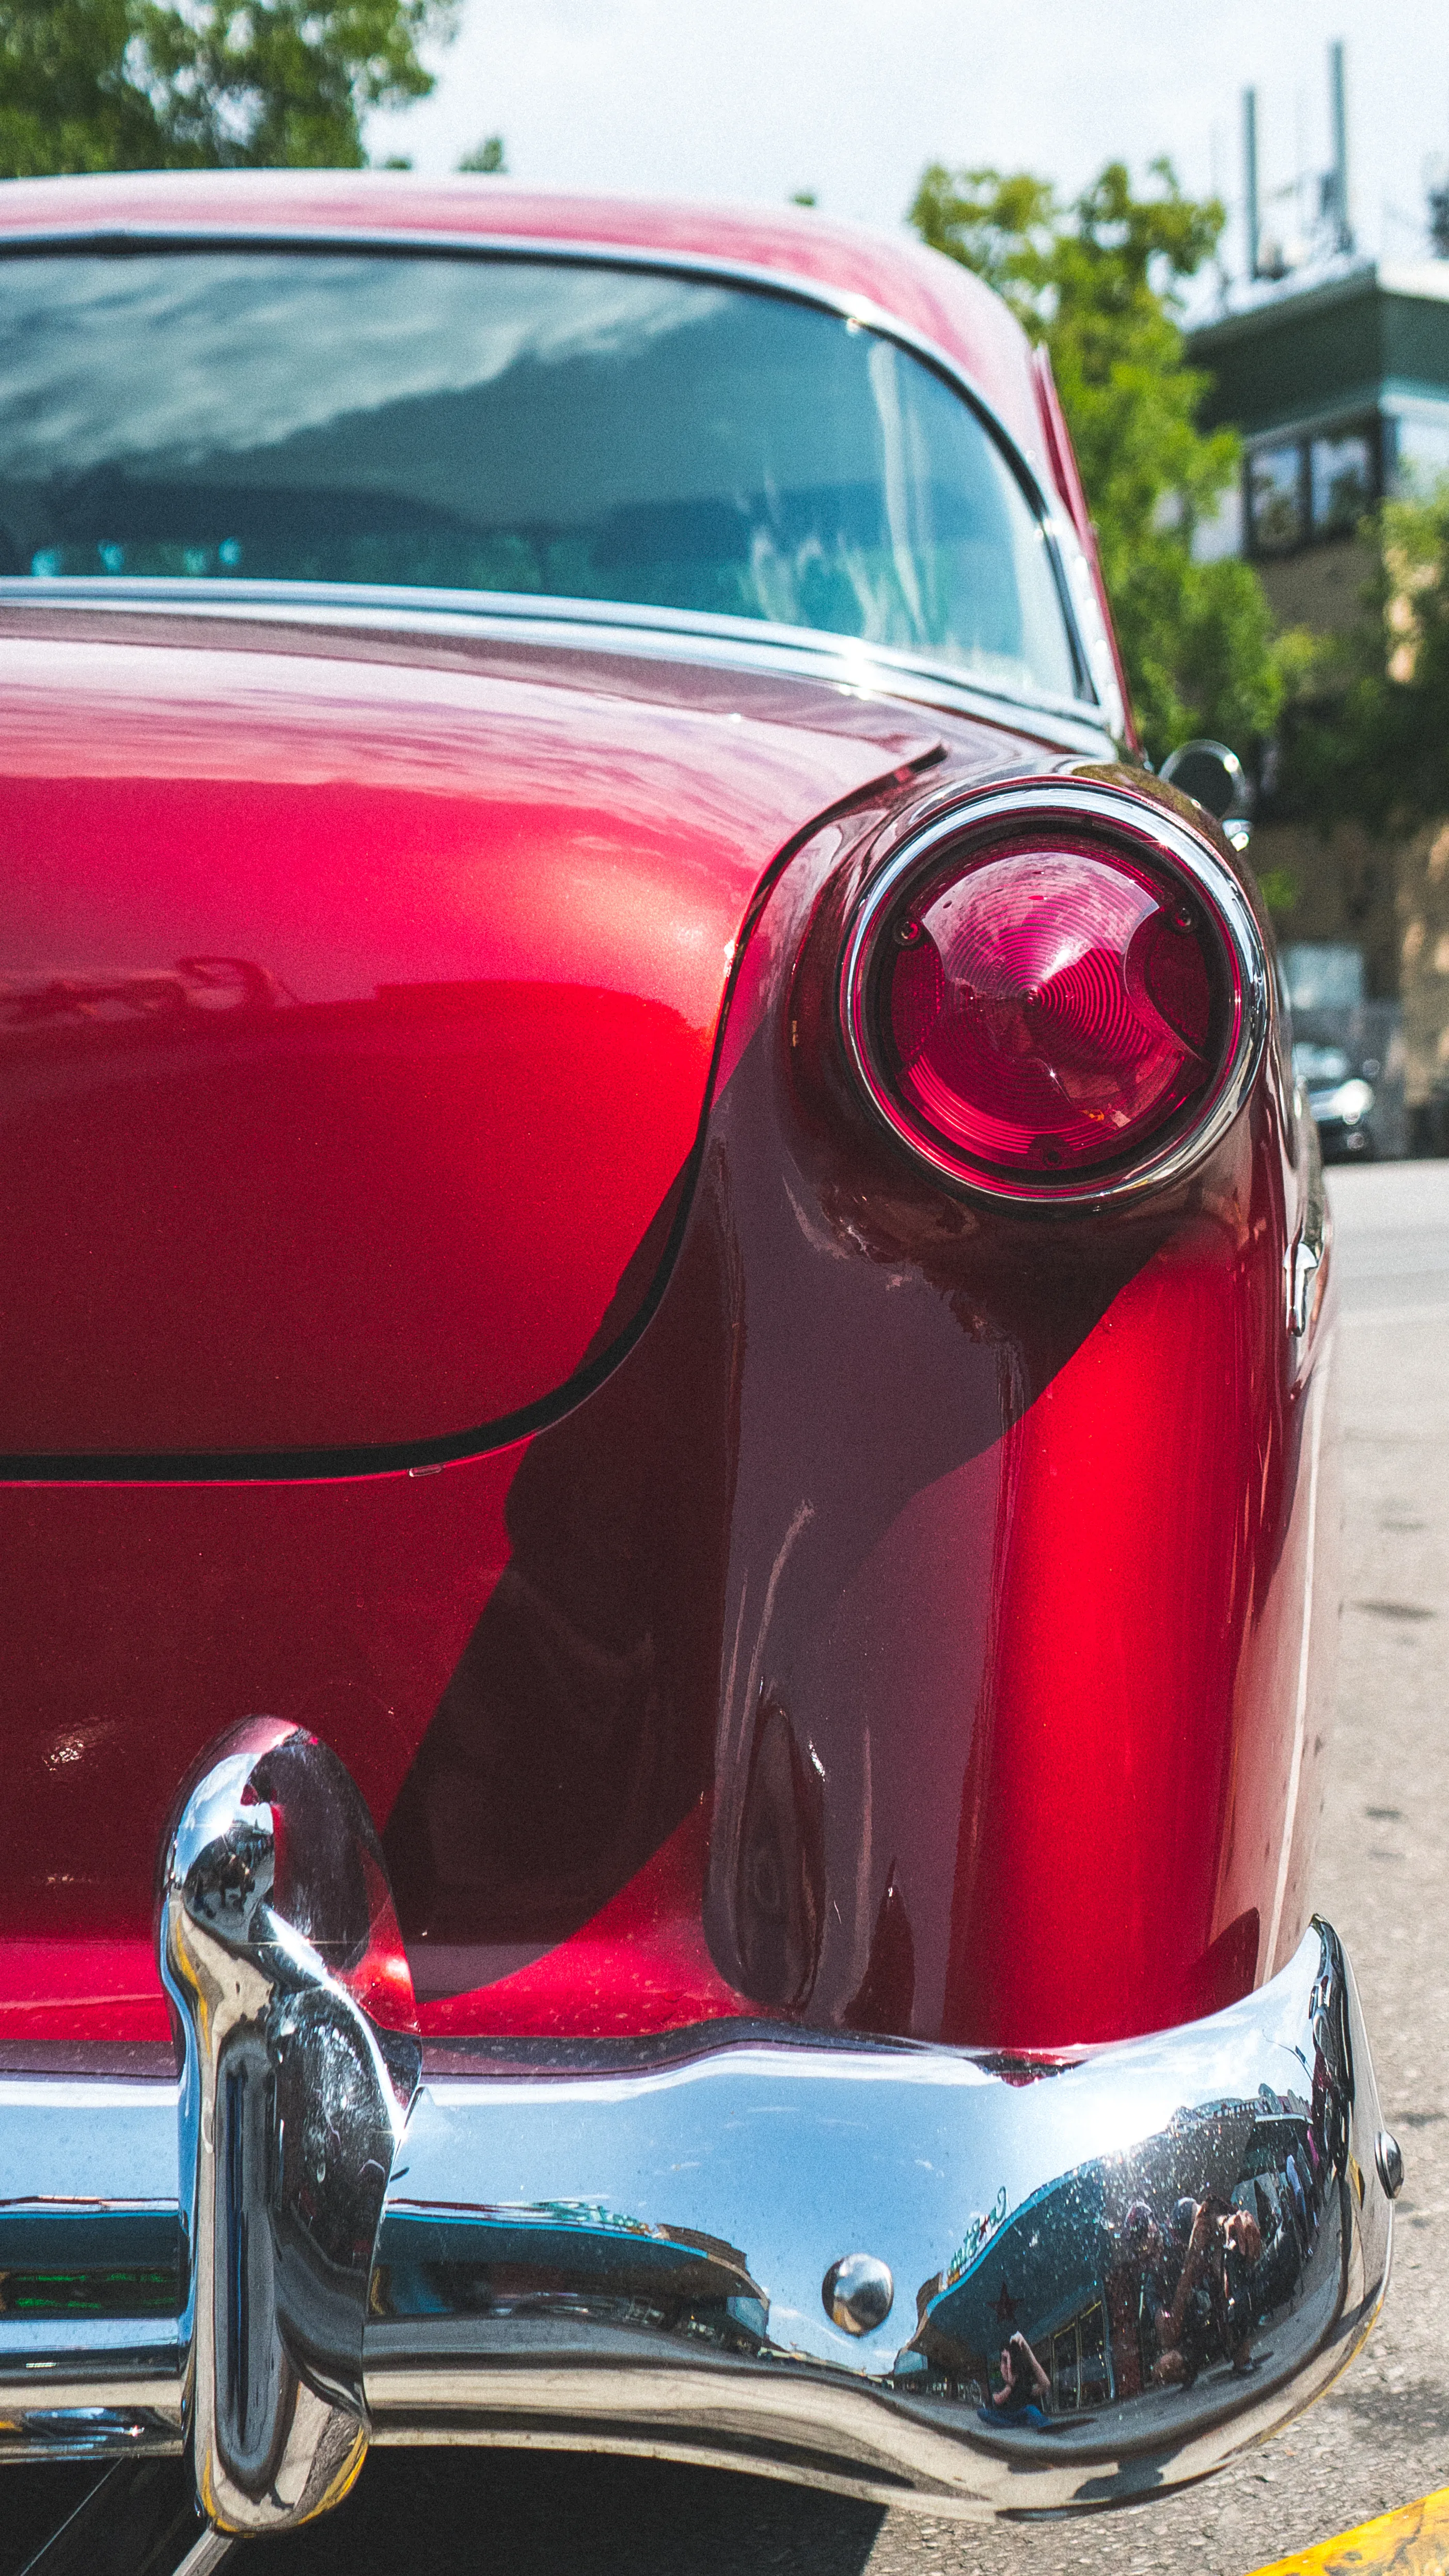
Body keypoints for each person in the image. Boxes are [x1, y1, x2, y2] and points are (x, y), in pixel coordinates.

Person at [980, 2330, 1053, 2429]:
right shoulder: (997, 2382)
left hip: (1021, 2417)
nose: (1008, 2367)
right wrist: (1010, 2385)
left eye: (1010, 2362)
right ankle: (1012, 2426)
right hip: (1005, 2418)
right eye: (1004, 2361)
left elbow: (1046, 2385)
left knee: (1031, 2409)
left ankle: (1046, 2426)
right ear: (1000, 2366)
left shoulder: (1022, 2384)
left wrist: (1027, 2350)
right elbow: (998, 2400)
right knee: (982, 2412)